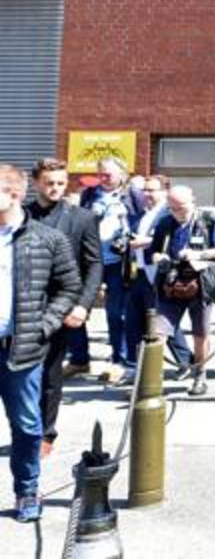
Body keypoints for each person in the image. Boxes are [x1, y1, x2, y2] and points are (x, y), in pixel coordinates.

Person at [0, 164, 82, 522]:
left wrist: (42, 326)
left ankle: (27, 492)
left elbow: (69, 287)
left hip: (21, 351)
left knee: (27, 426)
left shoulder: (47, 239)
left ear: (13, 194)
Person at [24, 158, 103, 459]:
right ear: (36, 184)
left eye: (60, 182)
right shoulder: (21, 215)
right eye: (49, 183)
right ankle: (24, 427)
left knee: (49, 372)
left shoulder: (82, 218)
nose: (55, 188)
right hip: (22, 305)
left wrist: (83, 305)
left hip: (62, 306)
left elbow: (93, 264)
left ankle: (45, 432)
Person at [149, 186, 215, 396]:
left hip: (201, 284)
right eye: (172, 208)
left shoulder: (209, 219)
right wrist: (158, 257)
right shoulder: (165, 222)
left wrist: (199, 255)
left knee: (200, 333)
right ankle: (150, 381)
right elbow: (154, 251)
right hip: (171, 283)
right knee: (157, 332)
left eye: (181, 207)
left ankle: (200, 377)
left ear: (193, 200)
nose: (177, 212)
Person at [77, 156, 137, 378]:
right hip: (91, 259)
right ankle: (79, 358)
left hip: (118, 262)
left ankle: (118, 359)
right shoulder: (89, 194)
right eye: (100, 174)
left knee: (115, 312)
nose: (103, 178)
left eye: (108, 175)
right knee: (76, 307)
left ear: (122, 175)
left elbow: (140, 221)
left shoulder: (132, 195)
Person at [118, 174, 170, 385]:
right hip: (137, 272)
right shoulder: (143, 214)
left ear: (164, 191)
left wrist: (145, 242)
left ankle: (183, 362)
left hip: (156, 274)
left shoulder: (168, 213)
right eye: (145, 190)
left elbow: (169, 238)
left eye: (152, 190)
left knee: (158, 323)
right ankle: (132, 367)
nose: (146, 194)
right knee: (133, 321)